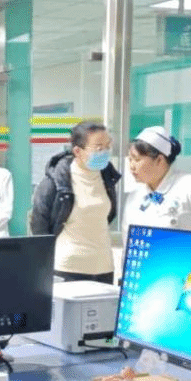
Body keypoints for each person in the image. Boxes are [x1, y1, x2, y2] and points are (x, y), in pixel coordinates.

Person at [30, 121, 121, 285]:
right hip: (68, 267)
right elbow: (39, 225)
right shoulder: (56, 181)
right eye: (99, 148)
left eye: (108, 146)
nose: (105, 152)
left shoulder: (108, 177)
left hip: (104, 266)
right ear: (78, 151)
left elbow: (107, 217)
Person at [124, 126, 191, 234]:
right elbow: (127, 239)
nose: (131, 166)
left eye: (137, 159)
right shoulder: (134, 197)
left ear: (159, 160)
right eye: (130, 159)